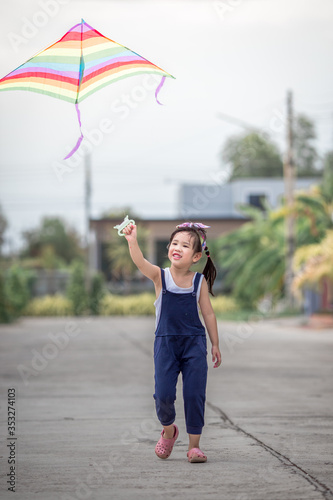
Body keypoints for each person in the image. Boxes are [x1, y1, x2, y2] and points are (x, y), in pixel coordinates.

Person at [123, 221, 222, 463]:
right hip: (166, 346)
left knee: (195, 394)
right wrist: (132, 241)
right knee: (163, 395)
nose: (177, 247)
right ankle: (169, 431)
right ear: (168, 247)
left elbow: (208, 314)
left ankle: (194, 446)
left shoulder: (199, 282)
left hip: (194, 346)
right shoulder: (160, 276)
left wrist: (215, 344)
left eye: (185, 245)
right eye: (174, 243)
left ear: (196, 256)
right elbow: (140, 262)